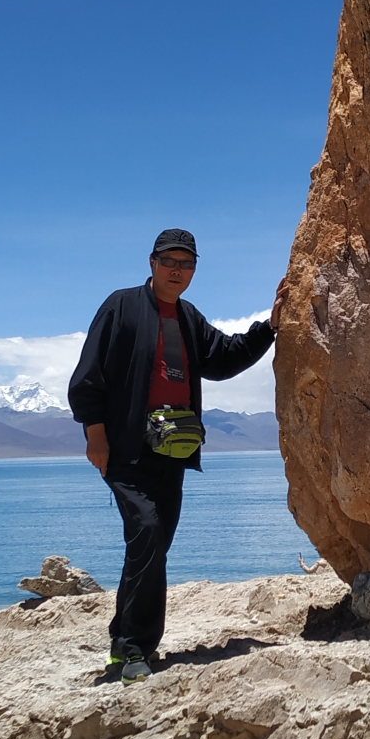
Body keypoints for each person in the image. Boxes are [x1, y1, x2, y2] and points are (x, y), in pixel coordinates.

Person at [66, 228, 276, 684]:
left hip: (172, 450)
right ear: (152, 262)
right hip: (125, 450)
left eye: (187, 264)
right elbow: (88, 375)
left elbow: (224, 358)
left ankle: (126, 645)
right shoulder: (121, 306)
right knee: (146, 531)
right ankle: (132, 649)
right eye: (169, 262)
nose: (177, 271)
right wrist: (95, 435)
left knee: (153, 544)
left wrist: (269, 328)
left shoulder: (188, 317)